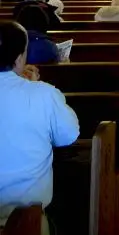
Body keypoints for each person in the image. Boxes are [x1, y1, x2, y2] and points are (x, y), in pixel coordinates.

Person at [0, 21, 79, 227]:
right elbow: (69, 135)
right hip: (27, 222)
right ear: (19, 58)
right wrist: (32, 88)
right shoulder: (43, 94)